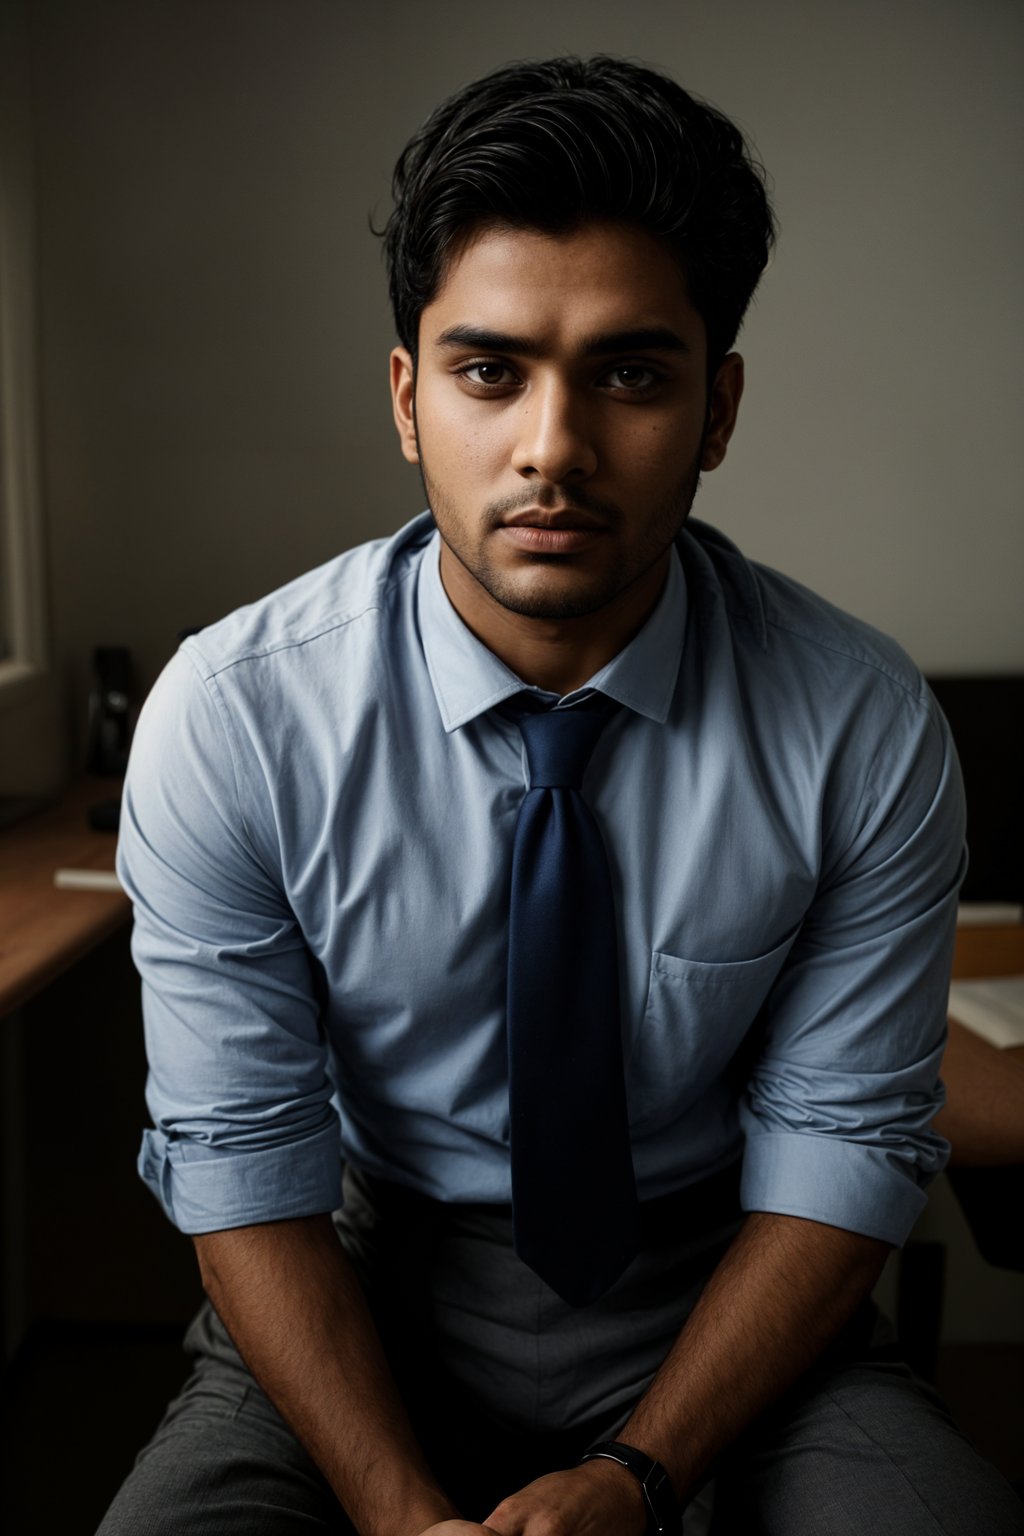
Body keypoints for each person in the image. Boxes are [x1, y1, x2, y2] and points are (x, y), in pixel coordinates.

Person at [99, 55, 1023, 1536]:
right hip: (363, 1286)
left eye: (632, 374)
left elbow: (843, 1158)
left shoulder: (857, 720)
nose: (552, 450)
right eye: (489, 371)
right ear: (408, 400)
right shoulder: (237, 715)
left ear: (717, 409)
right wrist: (400, 1517)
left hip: (724, 1291)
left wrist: (636, 1476)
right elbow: (243, 1180)